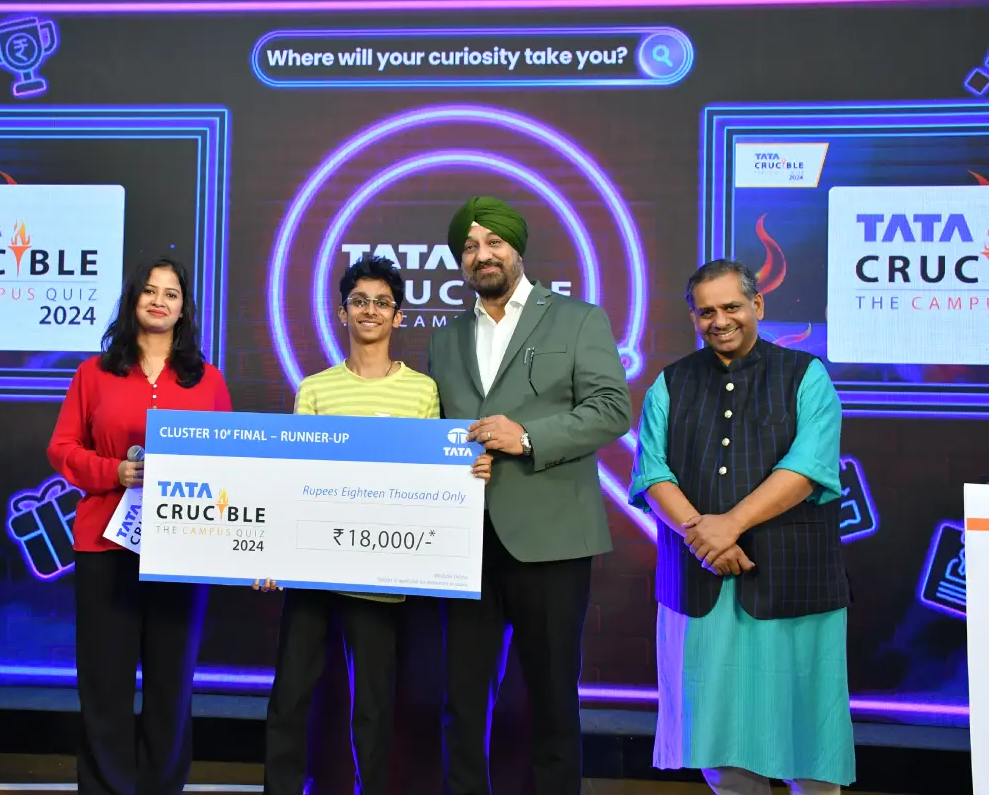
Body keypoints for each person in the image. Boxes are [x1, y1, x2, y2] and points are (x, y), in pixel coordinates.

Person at [260, 254, 493, 795]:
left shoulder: (422, 390)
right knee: (290, 696)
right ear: (343, 313)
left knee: (372, 707)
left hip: (380, 573)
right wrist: (272, 555)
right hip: (312, 568)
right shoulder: (315, 388)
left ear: (399, 316)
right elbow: (294, 480)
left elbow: (435, 474)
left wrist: (470, 469)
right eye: (360, 301)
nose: (370, 310)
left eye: (382, 302)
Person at [427, 197, 632, 795]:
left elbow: (612, 409)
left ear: (517, 248)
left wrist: (526, 437)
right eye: (469, 247)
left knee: (551, 697)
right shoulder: (446, 338)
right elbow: (440, 429)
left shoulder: (577, 319)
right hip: (465, 542)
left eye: (493, 242)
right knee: (462, 699)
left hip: (552, 538)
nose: (482, 255)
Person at [628, 259, 855, 795]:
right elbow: (652, 473)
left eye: (731, 307)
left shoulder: (806, 375)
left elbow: (808, 469)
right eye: (706, 312)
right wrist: (703, 538)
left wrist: (728, 525)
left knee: (808, 739)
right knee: (719, 742)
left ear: (758, 305)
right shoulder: (670, 383)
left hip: (794, 583)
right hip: (701, 583)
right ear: (693, 317)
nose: (720, 320)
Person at [47, 257, 232, 795]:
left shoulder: (208, 380)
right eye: (150, 291)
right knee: (104, 682)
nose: (159, 301)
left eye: (171, 294)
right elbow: (61, 448)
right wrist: (114, 471)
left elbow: (228, 462)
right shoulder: (93, 373)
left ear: (184, 309)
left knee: (171, 683)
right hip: (105, 545)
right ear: (133, 300)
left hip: (183, 546)